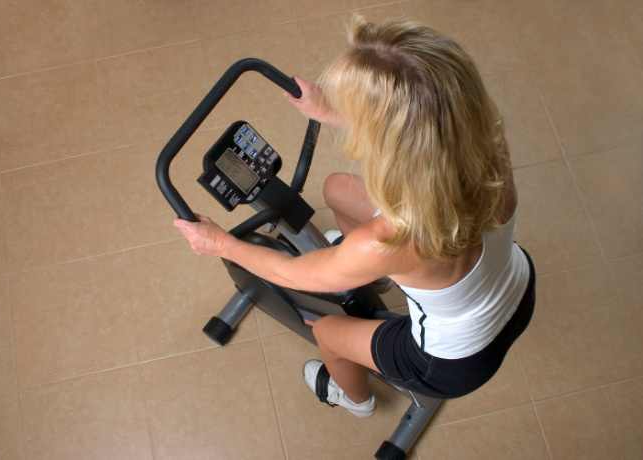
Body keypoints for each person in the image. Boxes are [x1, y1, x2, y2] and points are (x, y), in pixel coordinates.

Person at [174, 17, 535, 418]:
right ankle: (376, 278)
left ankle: (354, 400)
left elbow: (293, 275)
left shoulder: (386, 240)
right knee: (337, 190)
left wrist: (219, 243)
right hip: (518, 285)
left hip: (453, 362)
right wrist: (328, 112)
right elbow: (419, 123)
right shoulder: (488, 145)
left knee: (326, 331)